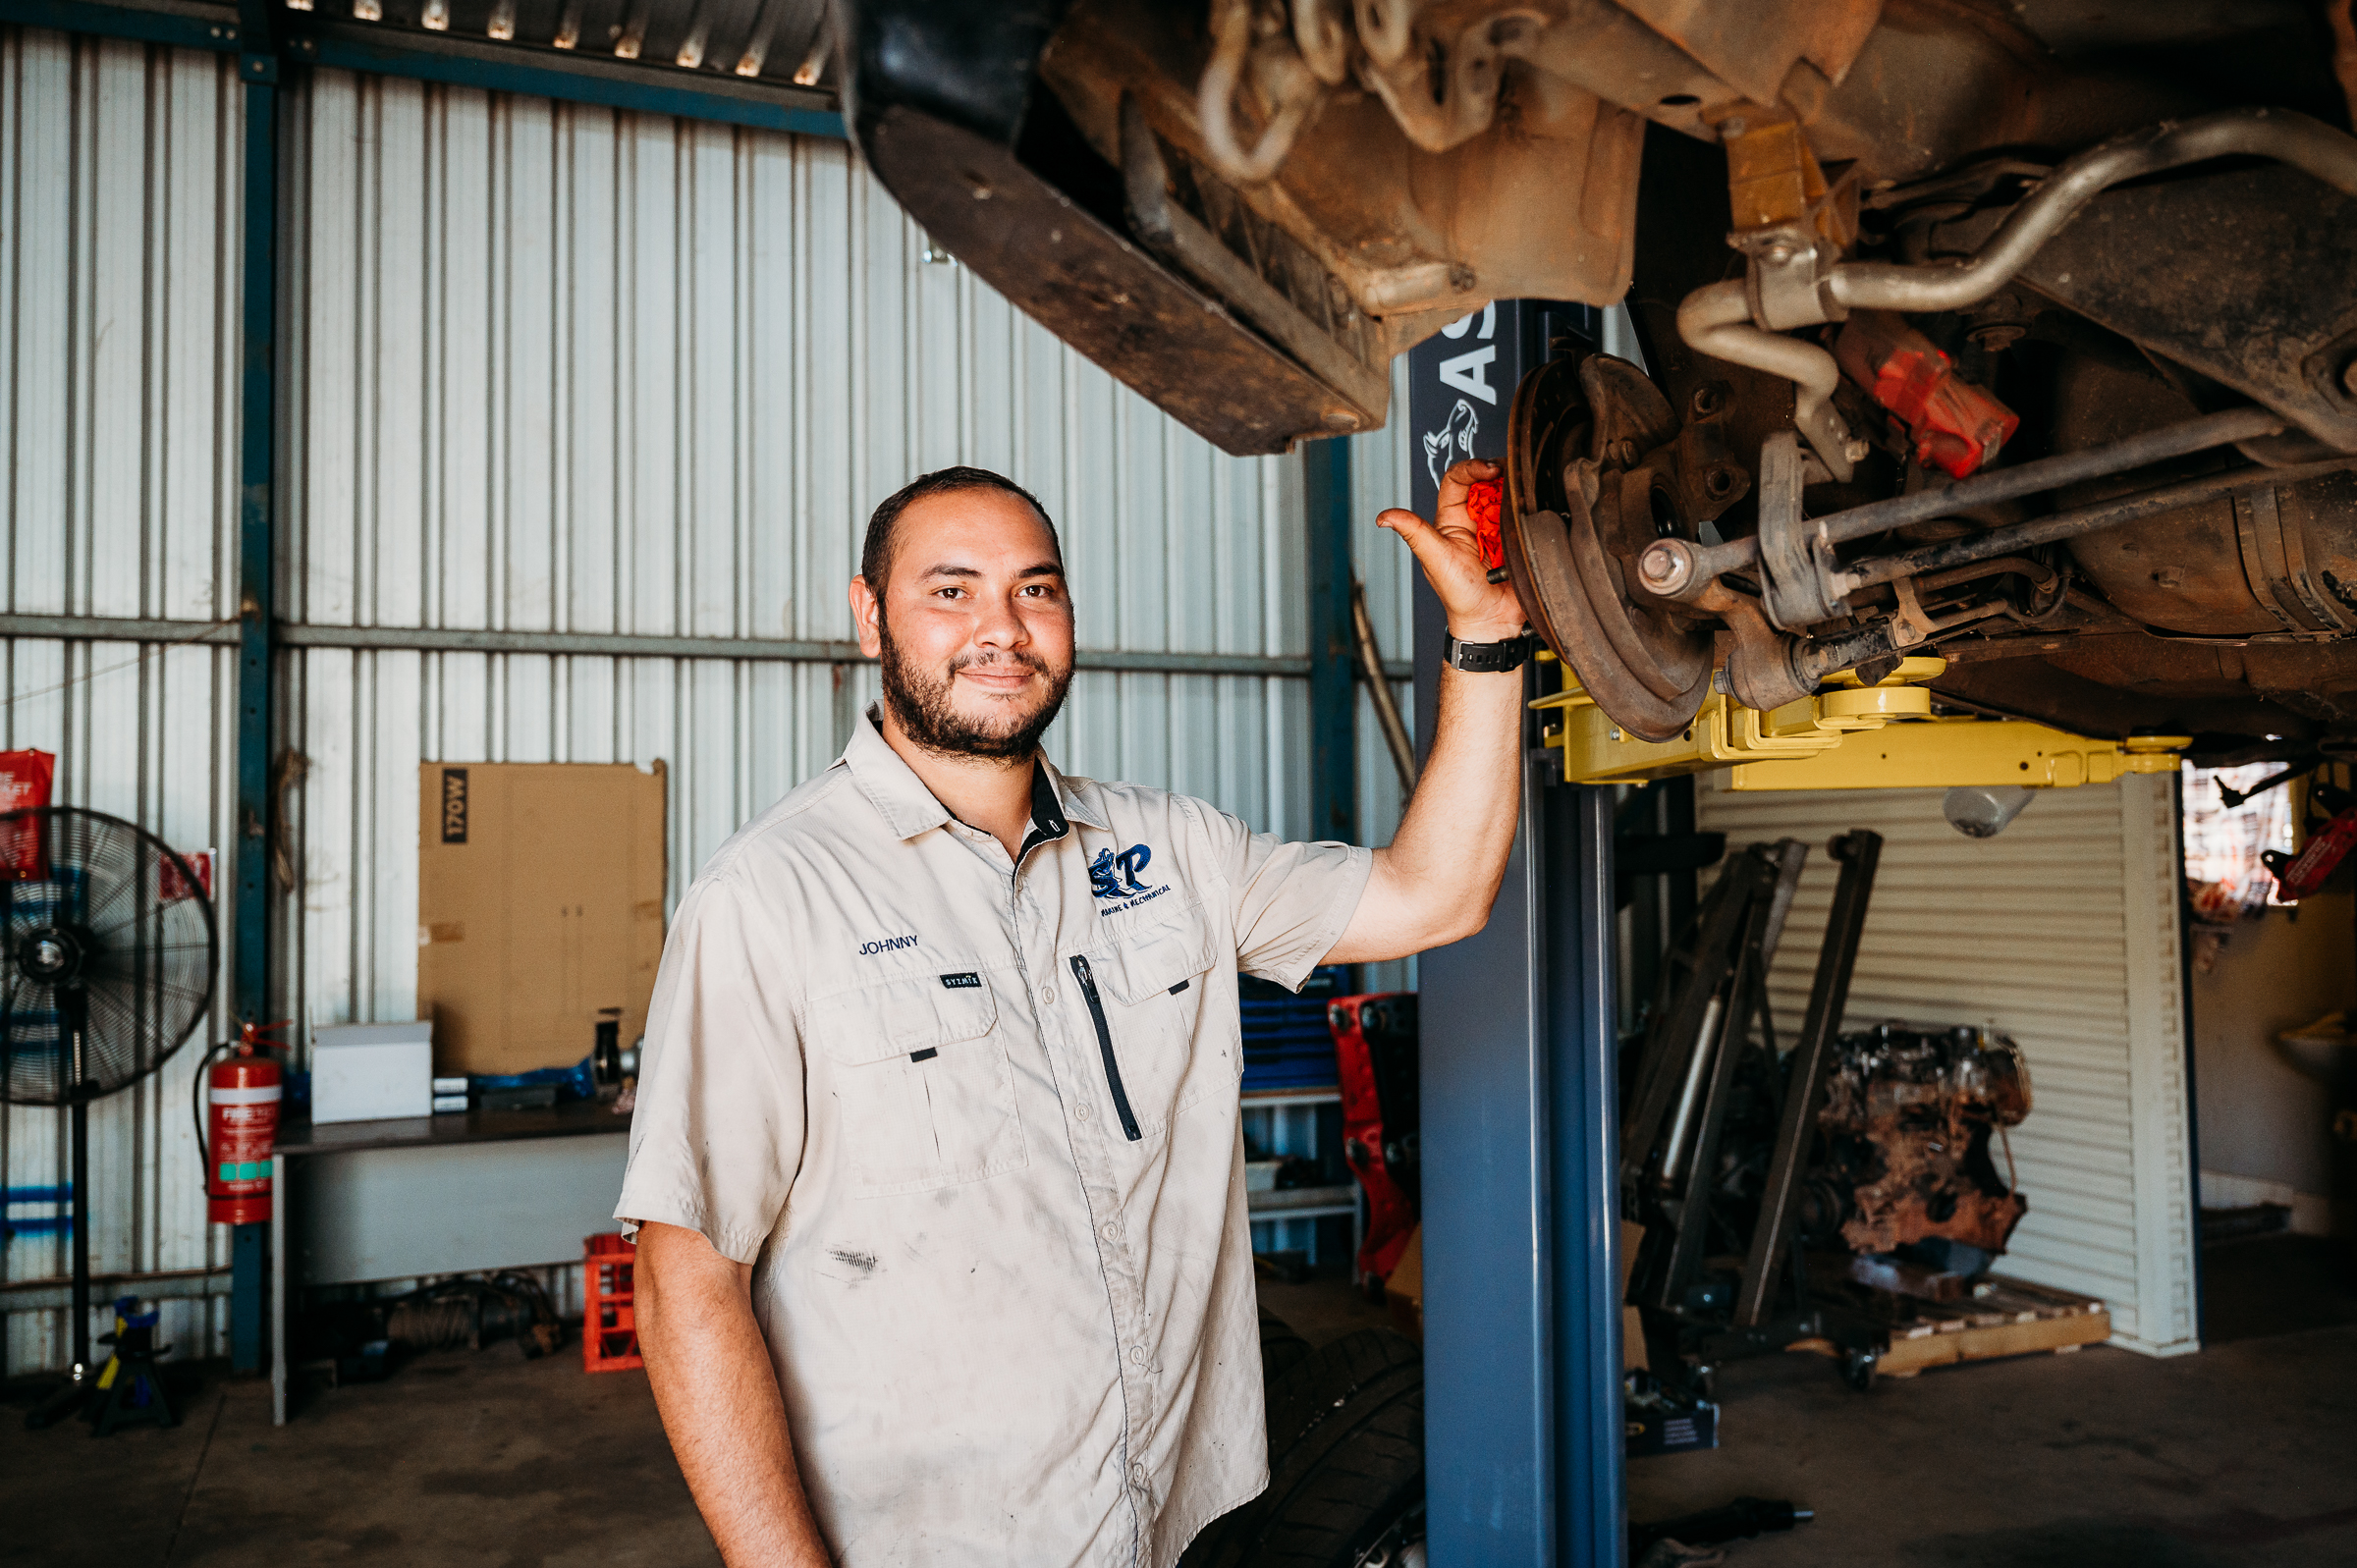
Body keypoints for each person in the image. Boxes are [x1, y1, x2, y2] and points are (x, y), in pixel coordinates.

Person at [618, 458, 1528, 1568]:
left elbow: (1437, 892)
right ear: (870, 617)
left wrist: (1484, 644)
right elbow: (686, 1280)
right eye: (950, 589)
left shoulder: (1171, 852)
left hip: (1173, 1524)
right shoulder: (768, 896)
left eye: (1034, 588)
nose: (1000, 626)